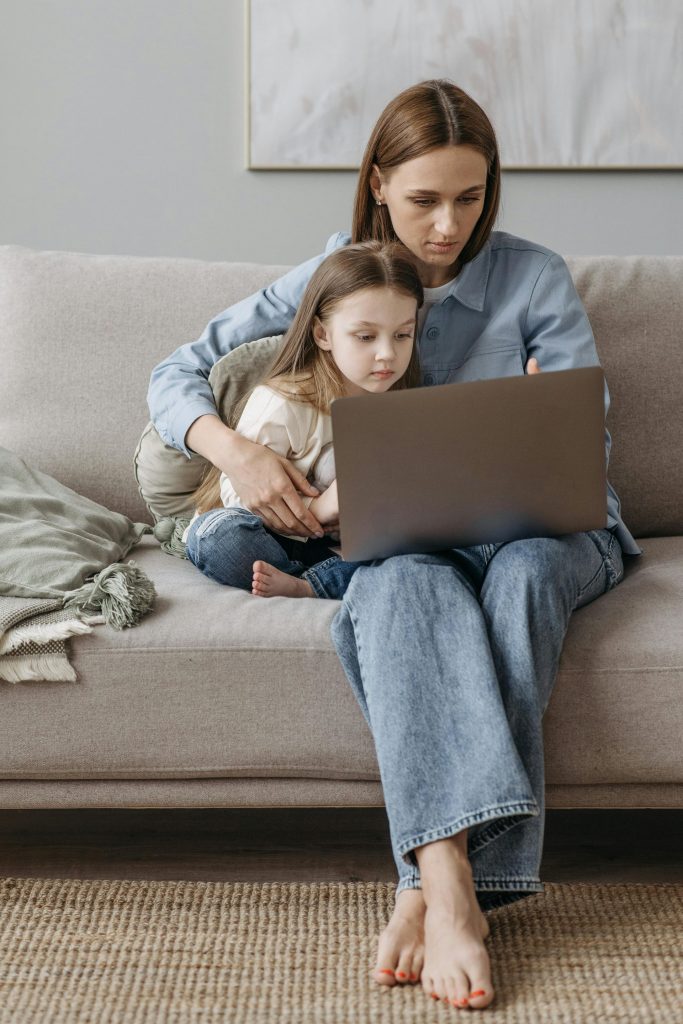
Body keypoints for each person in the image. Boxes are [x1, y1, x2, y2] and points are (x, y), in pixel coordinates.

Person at [147, 80, 641, 1012]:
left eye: (470, 198)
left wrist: (539, 413)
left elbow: (585, 444)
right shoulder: (337, 275)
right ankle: (448, 884)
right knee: (403, 580)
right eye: (423, 199)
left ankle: (423, 886)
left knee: (523, 574)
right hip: (410, 543)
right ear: (377, 184)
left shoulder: (533, 278)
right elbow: (175, 372)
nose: (448, 225)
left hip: (546, 532)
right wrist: (237, 451)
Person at [182, 240, 423, 600]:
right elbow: (237, 494)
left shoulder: (401, 405)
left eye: (403, 335)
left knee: (433, 549)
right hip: (264, 535)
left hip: (335, 548)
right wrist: (320, 508)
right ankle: (327, 583)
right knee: (218, 537)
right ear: (323, 334)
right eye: (365, 337)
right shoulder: (285, 402)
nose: (387, 353)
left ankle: (309, 584)